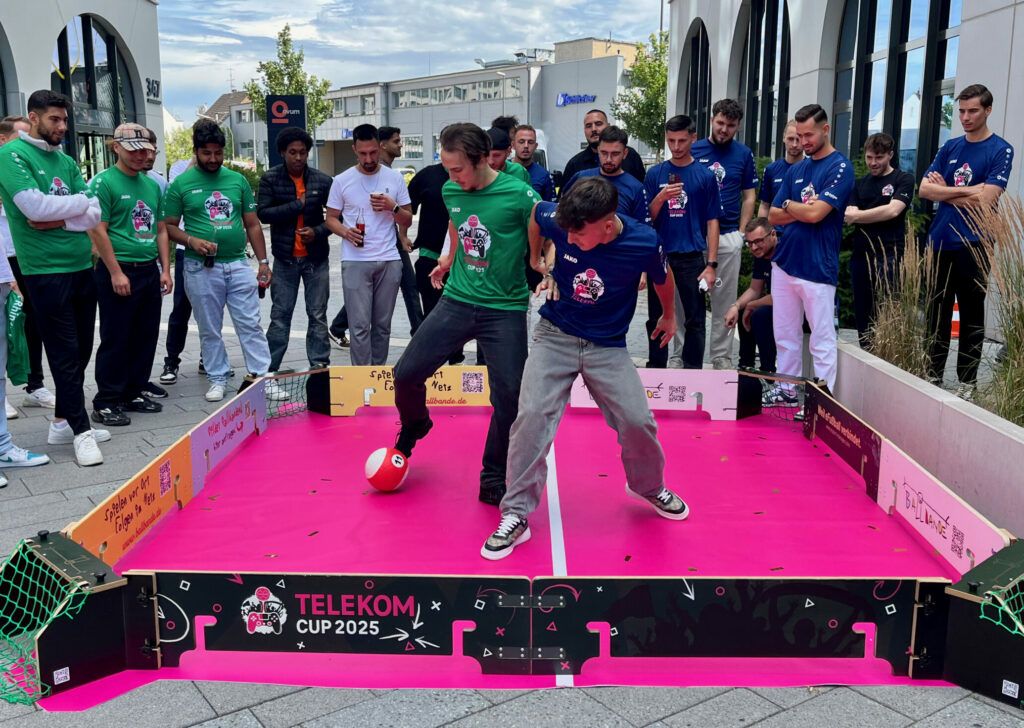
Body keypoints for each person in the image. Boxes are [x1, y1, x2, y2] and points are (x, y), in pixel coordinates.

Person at [481, 176, 685, 560]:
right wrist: (537, 261)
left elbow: (663, 275)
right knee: (531, 417)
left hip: (608, 345)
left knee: (638, 421)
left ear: (607, 226)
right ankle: (516, 513)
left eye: (579, 235)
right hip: (554, 335)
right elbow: (536, 214)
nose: (570, 239)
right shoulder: (560, 220)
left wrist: (669, 315)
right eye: (567, 233)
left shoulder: (644, 242)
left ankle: (647, 486)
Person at [392, 123, 537, 506]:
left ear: (481, 159)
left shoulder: (520, 194)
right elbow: (458, 224)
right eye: (447, 168)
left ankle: (493, 476)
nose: (451, 176)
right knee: (405, 374)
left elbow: (545, 231)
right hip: (456, 300)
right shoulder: (451, 189)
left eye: (457, 169)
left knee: (509, 397)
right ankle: (416, 424)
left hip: (504, 308)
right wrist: (449, 257)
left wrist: (546, 265)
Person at [0, 90, 107, 466]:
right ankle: (81, 431)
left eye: (64, 119)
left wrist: (57, 218)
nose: (62, 126)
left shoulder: (65, 159)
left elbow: (95, 212)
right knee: (63, 353)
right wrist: (76, 208)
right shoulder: (12, 155)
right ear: (34, 118)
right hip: (44, 270)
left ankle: (62, 421)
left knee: (82, 349)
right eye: (54, 119)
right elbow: (32, 208)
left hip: (80, 265)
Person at [162, 119, 286, 403]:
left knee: (251, 324)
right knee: (209, 328)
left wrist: (263, 262)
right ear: (196, 151)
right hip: (199, 266)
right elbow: (168, 226)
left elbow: (252, 224)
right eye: (207, 153)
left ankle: (263, 377)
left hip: (238, 263)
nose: (213, 159)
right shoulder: (180, 184)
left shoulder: (237, 180)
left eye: (218, 153)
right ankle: (217, 378)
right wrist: (191, 241)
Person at [920, 84, 1013, 401]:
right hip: (940, 240)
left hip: (975, 242)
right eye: (961, 111)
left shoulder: (1001, 149)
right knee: (936, 312)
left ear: (988, 110)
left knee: (972, 314)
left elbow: (988, 200)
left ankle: (967, 382)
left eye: (972, 110)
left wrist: (945, 192)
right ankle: (932, 374)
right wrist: (971, 190)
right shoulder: (950, 147)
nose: (965, 117)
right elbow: (925, 190)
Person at [87, 123, 173, 426]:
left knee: (145, 335)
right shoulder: (103, 183)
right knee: (116, 337)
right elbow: (97, 231)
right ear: (116, 148)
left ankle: (133, 391)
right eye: (134, 150)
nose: (141, 156)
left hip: (148, 269)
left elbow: (160, 229)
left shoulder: (151, 184)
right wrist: (115, 272)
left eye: (146, 151)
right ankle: (106, 400)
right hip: (119, 269)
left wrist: (165, 269)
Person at [768, 103, 855, 401]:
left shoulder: (840, 167)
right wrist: (798, 207)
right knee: (785, 335)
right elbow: (773, 215)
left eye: (809, 135)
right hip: (785, 262)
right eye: (799, 135)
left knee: (821, 338)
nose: (803, 141)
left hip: (818, 266)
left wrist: (793, 206)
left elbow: (817, 214)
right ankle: (786, 390)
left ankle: (821, 402)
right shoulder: (797, 169)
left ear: (826, 130)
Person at [325, 124, 412, 366]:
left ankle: (378, 373)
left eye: (373, 152)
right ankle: (362, 377)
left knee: (382, 326)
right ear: (354, 149)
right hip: (355, 260)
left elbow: (407, 219)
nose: (369, 159)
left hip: (389, 259)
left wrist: (392, 207)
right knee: (359, 326)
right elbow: (330, 218)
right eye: (363, 153)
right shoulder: (342, 180)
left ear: (380, 147)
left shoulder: (395, 178)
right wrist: (346, 232)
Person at [643, 115, 722, 370]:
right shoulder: (655, 174)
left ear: (693, 138)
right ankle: (656, 369)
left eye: (681, 141)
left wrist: (711, 264)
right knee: (656, 316)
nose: (676, 147)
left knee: (695, 319)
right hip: (659, 256)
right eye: (671, 141)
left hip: (691, 256)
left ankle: (692, 371)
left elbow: (712, 221)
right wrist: (660, 198)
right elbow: (645, 219)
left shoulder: (705, 176)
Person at [257, 126, 333, 371]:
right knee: (280, 316)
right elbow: (263, 213)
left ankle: (319, 367)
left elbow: (337, 219)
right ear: (282, 152)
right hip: (285, 259)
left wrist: (317, 232)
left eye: (303, 152)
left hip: (316, 259)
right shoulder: (270, 178)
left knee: (318, 315)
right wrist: (296, 206)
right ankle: (269, 370)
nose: (298, 157)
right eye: (293, 152)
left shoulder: (323, 180)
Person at [691, 99, 758, 370]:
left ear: (738, 125)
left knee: (724, 300)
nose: (724, 129)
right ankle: (682, 355)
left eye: (730, 125)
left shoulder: (743, 154)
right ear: (712, 120)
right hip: (695, 238)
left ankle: (721, 356)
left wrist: (741, 234)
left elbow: (749, 196)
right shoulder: (694, 149)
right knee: (687, 302)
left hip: (729, 235)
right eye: (720, 123)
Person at [0, 115, 55, 415]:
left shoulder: (29, 167)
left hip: (26, 253)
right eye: (20, 137)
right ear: (3, 140)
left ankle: (35, 385)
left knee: (32, 319)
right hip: (3, 258)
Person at [844, 132, 915, 349]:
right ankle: (867, 354)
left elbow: (893, 211)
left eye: (879, 158)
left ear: (890, 155)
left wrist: (859, 216)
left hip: (891, 255)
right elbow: (849, 215)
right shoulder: (859, 184)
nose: (873, 163)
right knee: (864, 313)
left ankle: (889, 356)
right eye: (869, 157)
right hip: (861, 255)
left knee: (890, 309)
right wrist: (864, 215)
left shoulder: (903, 179)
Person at [406, 161, 464, 365]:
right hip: (430, 256)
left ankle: (456, 361)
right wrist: (403, 235)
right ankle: (429, 363)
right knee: (432, 315)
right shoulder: (427, 176)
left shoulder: (472, 175)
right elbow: (406, 210)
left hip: (463, 260)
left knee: (459, 315)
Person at [158, 155, 201, 385]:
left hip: (213, 251)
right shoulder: (178, 167)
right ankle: (172, 361)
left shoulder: (220, 172)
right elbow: (176, 191)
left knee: (210, 310)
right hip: (186, 249)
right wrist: (194, 163)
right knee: (181, 308)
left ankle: (208, 358)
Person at [379, 126, 424, 337]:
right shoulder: (380, 173)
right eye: (396, 141)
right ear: (383, 145)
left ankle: (419, 329)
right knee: (406, 284)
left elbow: (405, 211)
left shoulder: (390, 173)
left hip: (392, 237)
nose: (400, 145)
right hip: (382, 240)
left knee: (407, 284)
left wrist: (402, 235)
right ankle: (419, 331)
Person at [561, 126, 650, 224]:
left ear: (625, 154)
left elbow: (642, 228)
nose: (608, 159)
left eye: (615, 154)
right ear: (598, 150)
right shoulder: (580, 178)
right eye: (604, 153)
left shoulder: (636, 188)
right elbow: (562, 211)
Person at [725, 217, 778, 373]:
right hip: (779, 303)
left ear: (773, 234)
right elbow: (755, 289)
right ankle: (746, 368)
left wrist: (752, 305)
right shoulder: (762, 254)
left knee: (760, 314)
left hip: (799, 309)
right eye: (749, 243)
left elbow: (782, 296)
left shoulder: (784, 253)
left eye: (758, 241)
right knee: (742, 310)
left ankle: (767, 372)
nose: (753, 247)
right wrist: (735, 306)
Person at [561, 109, 646, 185]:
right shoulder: (574, 165)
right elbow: (564, 197)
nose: (593, 129)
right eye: (589, 126)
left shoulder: (631, 156)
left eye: (598, 124)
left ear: (608, 126)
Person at [757, 120, 803, 221]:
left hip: (803, 228)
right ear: (783, 137)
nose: (794, 144)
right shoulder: (771, 170)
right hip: (776, 229)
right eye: (790, 139)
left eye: (798, 139)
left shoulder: (813, 168)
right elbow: (765, 205)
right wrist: (763, 229)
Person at [512, 124, 555, 202]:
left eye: (530, 142)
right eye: (521, 142)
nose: (526, 146)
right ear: (513, 145)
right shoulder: (502, 169)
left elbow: (549, 206)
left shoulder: (544, 175)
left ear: (536, 146)